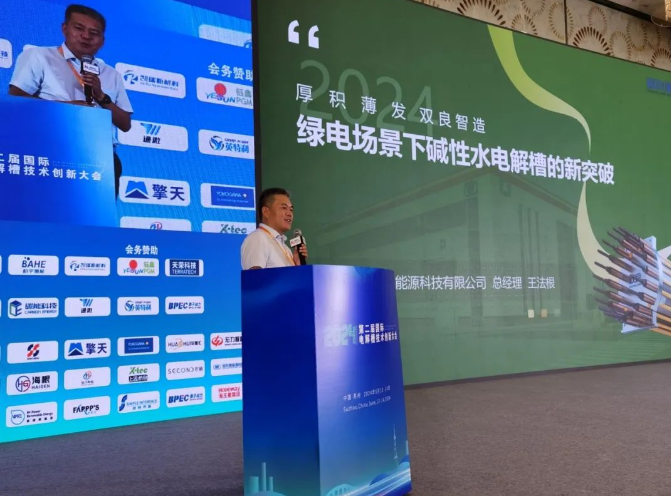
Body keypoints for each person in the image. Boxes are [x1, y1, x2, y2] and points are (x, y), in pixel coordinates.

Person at [8, 4, 133, 199]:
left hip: (102, 157)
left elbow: (125, 124)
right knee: (49, 209)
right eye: (79, 28)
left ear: (102, 41)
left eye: (94, 33)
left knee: (98, 217)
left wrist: (101, 96)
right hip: (52, 151)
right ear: (65, 29)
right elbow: (15, 100)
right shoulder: (39, 56)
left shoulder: (111, 74)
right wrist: (67, 109)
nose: (86, 36)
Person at [241, 188, 309, 270]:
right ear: (266, 212)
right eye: (284, 208)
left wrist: (297, 265)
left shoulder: (285, 248)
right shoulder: (258, 238)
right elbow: (254, 276)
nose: (289, 214)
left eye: (291, 209)